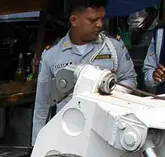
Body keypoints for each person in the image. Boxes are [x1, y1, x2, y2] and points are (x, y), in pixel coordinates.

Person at [32, 0, 137, 144]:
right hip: (67, 133)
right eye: (93, 20)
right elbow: (42, 104)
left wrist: (110, 91)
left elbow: (130, 79)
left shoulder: (113, 47)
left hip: (105, 133)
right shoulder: (52, 54)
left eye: (102, 18)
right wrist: (37, 144)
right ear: (74, 20)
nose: (100, 24)